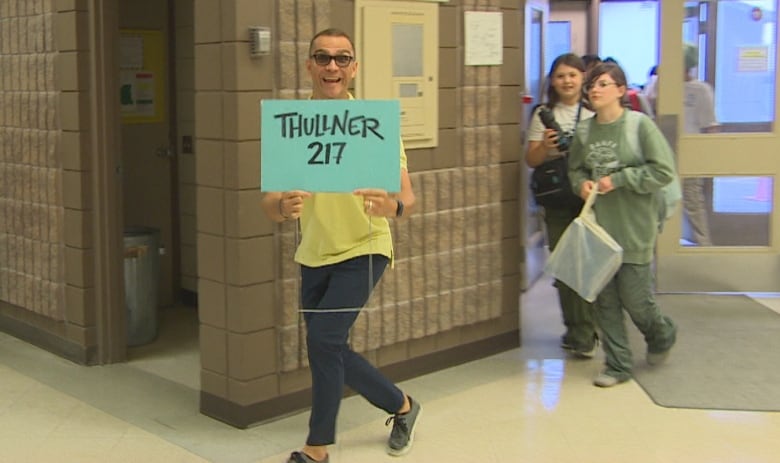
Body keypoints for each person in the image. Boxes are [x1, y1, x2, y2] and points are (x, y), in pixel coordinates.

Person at [261, 28, 419, 463]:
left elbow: (407, 197)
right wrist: (283, 206)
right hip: (314, 251)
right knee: (327, 345)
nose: (332, 66)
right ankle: (401, 405)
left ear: (354, 67)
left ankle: (316, 449)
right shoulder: (291, 127)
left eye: (341, 58)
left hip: (365, 248)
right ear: (309, 65)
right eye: (323, 58)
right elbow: (271, 204)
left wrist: (392, 207)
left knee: (324, 341)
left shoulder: (373, 126)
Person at [568, 62, 678, 388]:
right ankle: (618, 365)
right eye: (592, 85)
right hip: (598, 230)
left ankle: (661, 333)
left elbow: (663, 171)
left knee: (636, 299)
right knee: (605, 300)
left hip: (634, 227)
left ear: (620, 89)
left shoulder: (639, 126)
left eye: (603, 84)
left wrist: (619, 179)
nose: (595, 90)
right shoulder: (585, 131)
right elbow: (575, 170)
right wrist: (582, 185)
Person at [526, 53, 599, 359]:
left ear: (583, 77)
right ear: (552, 81)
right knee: (566, 268)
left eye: (572, 74)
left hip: (592, 201)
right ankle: (578, 329)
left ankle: (585, 329)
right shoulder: (543, 114)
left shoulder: (596, 111)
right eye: (560, 76)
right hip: (558, 200)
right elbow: (531, 160)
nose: (567, 81)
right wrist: (545, 146)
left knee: (589, 267)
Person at [682, 43, 718, 246]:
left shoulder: (701, 90)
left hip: (692, 155)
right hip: (664, 154)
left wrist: (708, 159)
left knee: (694, 204)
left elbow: (710, 126)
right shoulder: (661, 86)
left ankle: (705, 249)